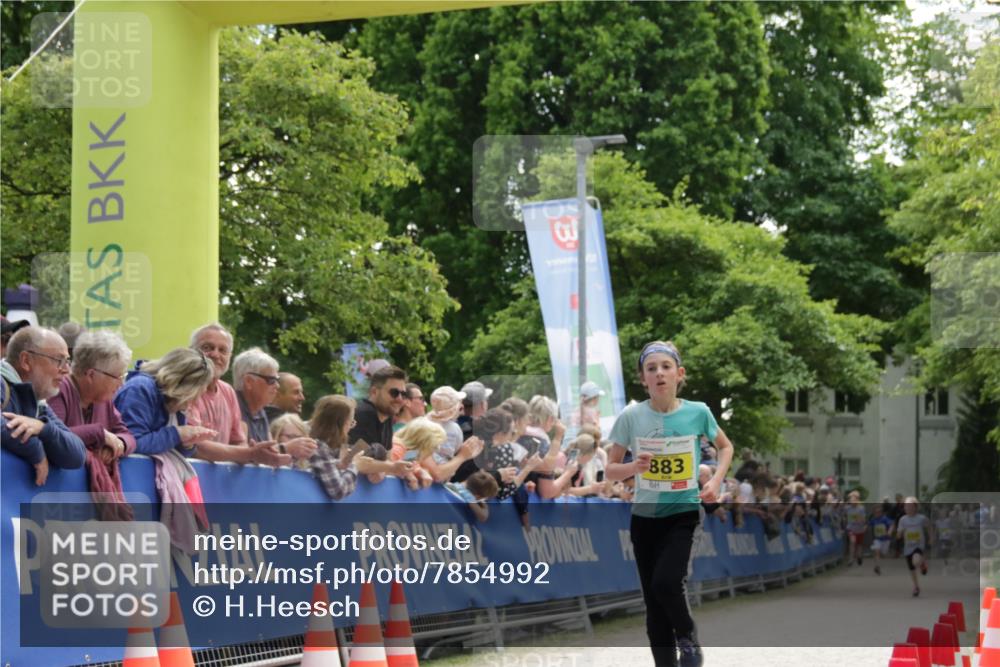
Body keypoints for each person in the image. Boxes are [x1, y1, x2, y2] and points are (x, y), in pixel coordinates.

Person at [606, 340, 734, 667]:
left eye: (666, 367)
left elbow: (725, 447)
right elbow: (609, 469)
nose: (659, 374)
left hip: (683, 514)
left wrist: (715, 481)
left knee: (666, 582)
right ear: (643, 379)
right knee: (653, 603)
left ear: (679, 374)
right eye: (652, 369)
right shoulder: (631, 416)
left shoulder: (698, 412)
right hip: (644, 519)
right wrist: (633, 467)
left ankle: (688, 638)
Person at [1, 327, 85, 485]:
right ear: (26, 361)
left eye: (67, 361)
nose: (66, 370)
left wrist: (43, 428)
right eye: (59, 360)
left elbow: (77, 455)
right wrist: (35, 450)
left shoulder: (39, 404)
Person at [114, 348, 219, 456]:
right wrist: (177, 434)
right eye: (196, 392)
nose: (196, 399)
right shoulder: (140, 388)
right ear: (184, 385)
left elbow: (176, 452)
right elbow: (132, 444)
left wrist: (188, 443)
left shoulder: (174, 399)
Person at [310, 394, 411, 489]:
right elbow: (339, 489)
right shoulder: (319, 447)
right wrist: (355, 466)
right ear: (340, 424)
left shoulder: (331, 446)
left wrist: (381, 468)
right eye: (351, 422)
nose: (351, 428)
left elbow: (374, 450)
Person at [348, 365, 408, 450]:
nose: (400, 399)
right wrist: (392, 464)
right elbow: (358, 460)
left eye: (403, 394)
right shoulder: (364, 414)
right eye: (394, 392)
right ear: (374, 392)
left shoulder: (387, 416)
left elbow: (387, 457)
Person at [232, 347, 282, 445]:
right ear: (249, 381)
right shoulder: (233, 409)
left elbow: (270, 449)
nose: (277, 385)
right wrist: (286, 448)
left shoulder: (259, 410)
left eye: (277, 379)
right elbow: (242, 454)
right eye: (271, 380)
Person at [897, 496, 934, 597]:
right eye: (906, 506)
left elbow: (929, 527)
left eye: (910, 506)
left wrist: (931, 538)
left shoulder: (921, 518)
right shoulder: (903, 519)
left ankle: (922, 564)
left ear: (915, 507)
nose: (907, 508)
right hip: (908, 546)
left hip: (918, 545)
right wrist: (899, 534)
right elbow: (899, 532)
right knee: (912, 568)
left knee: (915, 560)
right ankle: (916, 587)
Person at [869, 502, 894, 575]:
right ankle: (877, 567)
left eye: (879, 512)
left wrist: (889, 531)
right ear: (874, 513)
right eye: (876, 512)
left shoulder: (885, 519)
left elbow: (892, 525)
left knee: (884, 553)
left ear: (882, 512)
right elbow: (869, 524)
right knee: (877, 551)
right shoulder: (873, 519)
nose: (877, 514)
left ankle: (880, 558)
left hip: (886, 540)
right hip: (877, 539)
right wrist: (864, 527)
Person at [845, 490, 867, 566]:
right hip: (851, 529)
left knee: (859, 545)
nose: (851, 501)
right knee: (852, 543)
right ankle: (851, 559)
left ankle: (859, 557)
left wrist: (861, 520)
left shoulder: (861, 508)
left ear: (857, 500)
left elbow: (864, 519)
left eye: (853, 499)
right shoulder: (847, 508)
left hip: (859, 529)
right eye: (850, 499)